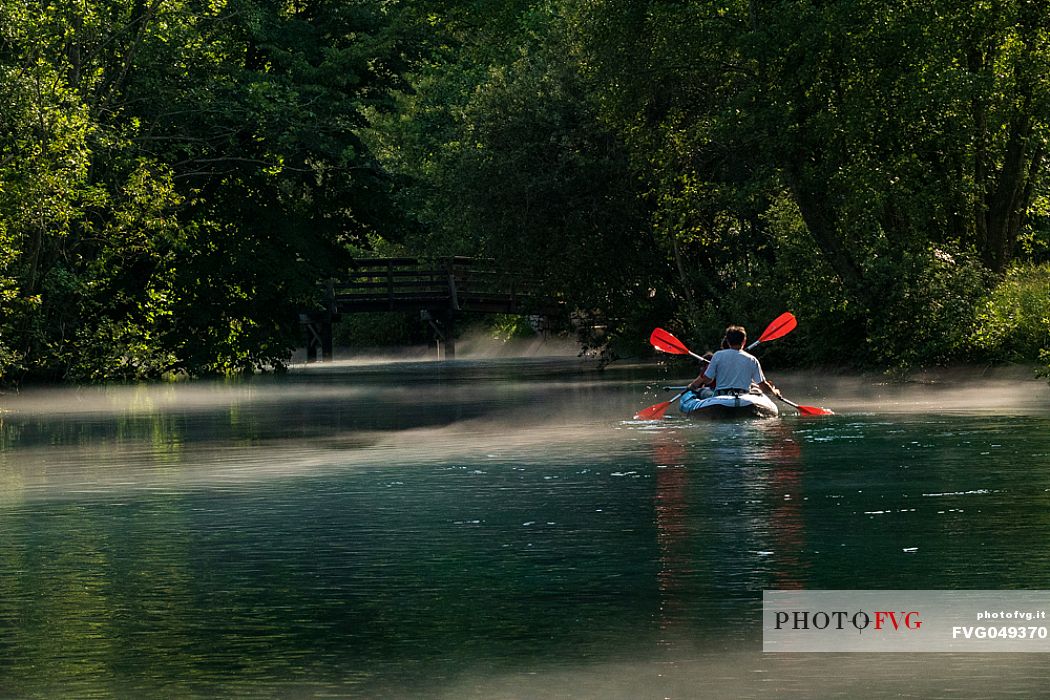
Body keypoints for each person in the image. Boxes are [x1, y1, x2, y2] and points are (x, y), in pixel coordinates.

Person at [686, 325, 782, 399]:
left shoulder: (717, 355)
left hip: (721, 396)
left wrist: (698, 381)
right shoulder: (752, 359)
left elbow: (707, 380)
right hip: (744, 396)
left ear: (727, 341)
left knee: (702, 392)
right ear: (744, 341)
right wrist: (774, 392)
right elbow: (762, 385)